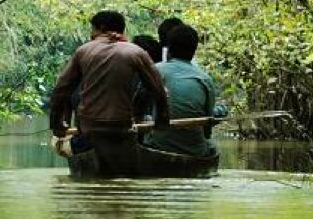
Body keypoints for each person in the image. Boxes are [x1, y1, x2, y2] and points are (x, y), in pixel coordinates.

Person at [50, 11, 170, 167]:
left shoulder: (83, 51)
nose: (91, 35)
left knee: (66, 142)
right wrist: (161, 120)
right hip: (121, 131)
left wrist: (57, 125)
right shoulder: (136, 52)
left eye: (92, 30)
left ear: (101, 28)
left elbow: (61, 90)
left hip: (89, 132)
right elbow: (158, 90)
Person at [144, 24, 219, 157]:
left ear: (169, 49)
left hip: (156, 145)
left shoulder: (154, 70)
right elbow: (207, 129)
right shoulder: (205, 79)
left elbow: (140, 105)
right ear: (194, 50)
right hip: (194, 151)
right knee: (212, 147)